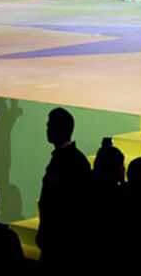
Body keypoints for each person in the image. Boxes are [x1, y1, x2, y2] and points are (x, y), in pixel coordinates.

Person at [36, 107, 90, 271]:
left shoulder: (73, 162)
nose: (47, 130)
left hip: (62, 246)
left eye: (49, 126)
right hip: (57, 242)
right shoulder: (74, 160)